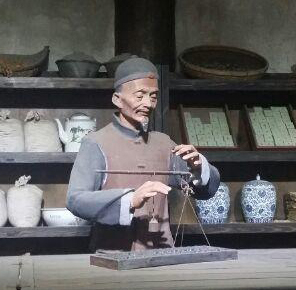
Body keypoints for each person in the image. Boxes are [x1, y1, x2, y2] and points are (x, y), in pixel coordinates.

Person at [66, 57, 220, 251]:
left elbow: (205, 192)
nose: (148, 103)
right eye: (140, 96)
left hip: (162, 254)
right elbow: (75, 199)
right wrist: (129, 200)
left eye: (153, 97)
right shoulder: (96, 142)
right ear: (117, 99)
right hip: (112, 256)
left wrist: (198, 168)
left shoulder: (164, 143)